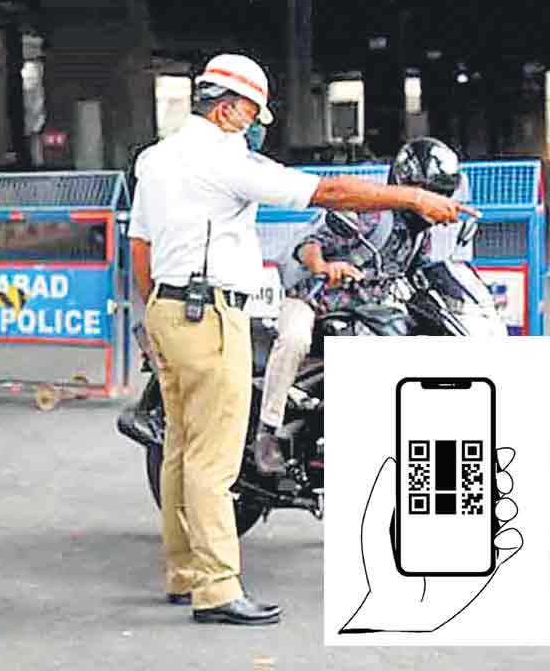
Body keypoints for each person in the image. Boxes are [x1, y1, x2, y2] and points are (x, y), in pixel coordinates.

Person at [127, 53, 475, 626]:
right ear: (230, 107)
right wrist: (411, 198)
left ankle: (183, 571)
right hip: (211, 314)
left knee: (183, 452)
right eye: (253, 112)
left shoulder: (156, 159)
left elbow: (140, 244)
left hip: (169, 307)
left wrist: (157, 313)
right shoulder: (222, 158)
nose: (255, 122)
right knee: (214, 460)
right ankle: (216, 590)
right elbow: (327, 193)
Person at [256, 137, 468, 473]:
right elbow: (308, 244)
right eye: (432, 193)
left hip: (365, 312)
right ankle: (266, 432)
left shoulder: (419, 234)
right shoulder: (371, 214)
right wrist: (324, 267)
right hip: (315, 302)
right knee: (294, 338)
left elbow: (421, 275)